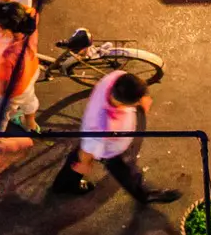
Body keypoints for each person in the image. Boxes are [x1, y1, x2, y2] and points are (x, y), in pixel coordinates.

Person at [51, 69, 181, 205]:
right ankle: (144, 196)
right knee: (126, 173)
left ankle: (62, 185)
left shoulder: (117, 77)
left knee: (74, 161)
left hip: (104, 140)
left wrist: (142, 97)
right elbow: (87, 149)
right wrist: (84, 163)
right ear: (128, 103)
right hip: (111, 150)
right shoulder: (100, 124)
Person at [0, 0, 41, 134]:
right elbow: (30, 12)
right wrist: (4, 2)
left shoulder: (7, 56)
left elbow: (1, 89)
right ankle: (30, 124)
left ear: (6, 30)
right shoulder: (29, 27)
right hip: (29, 76)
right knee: (28, 100)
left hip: (11, 93)